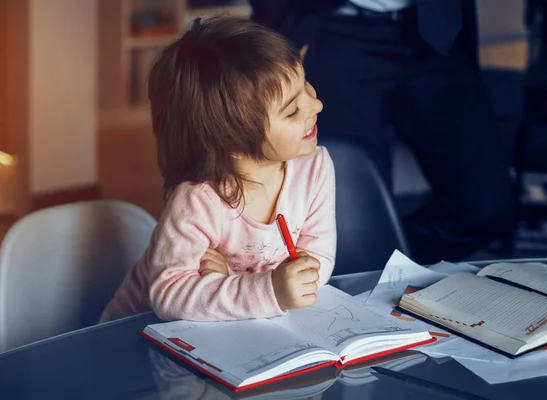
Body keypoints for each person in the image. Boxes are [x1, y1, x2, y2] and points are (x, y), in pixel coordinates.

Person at [101, 16, 336, 322]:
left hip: (226, 335)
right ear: (234, 143)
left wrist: (233, 285)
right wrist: (269, 291)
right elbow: (169, 295)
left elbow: (319, 259)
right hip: (136, 338)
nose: (315, 106)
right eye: (292, 110)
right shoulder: (198, 200)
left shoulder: (314, 168)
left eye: (305, 84)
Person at [249, 0, 516, 264]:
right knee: (352, 211)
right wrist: (287, 33)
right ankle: (365, 266)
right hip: (334, 31)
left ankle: (389, 263)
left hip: (435, 33)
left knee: (486, 208)